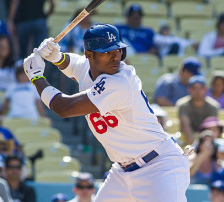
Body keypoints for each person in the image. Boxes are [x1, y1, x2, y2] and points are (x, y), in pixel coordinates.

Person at [24, 23, 190, 201]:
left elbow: (64, 108)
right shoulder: (88, 67)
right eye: (106, 52)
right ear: (89, 55)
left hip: (159, 167)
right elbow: (73, 64)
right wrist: (56, 56)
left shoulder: (120, 81)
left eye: (117, 50)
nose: (115, 57)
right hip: (122, 171)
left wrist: (36, 77)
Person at [177, 75, 219, 144]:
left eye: (200, 88)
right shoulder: (182, 105)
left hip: (206, 141)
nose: (198, 91)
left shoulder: (213, 106)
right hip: (186, 140)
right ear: (189, 89)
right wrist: (195, 147)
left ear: (205, 89)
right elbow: (186, 126)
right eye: (194, 88)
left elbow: (212, 129)